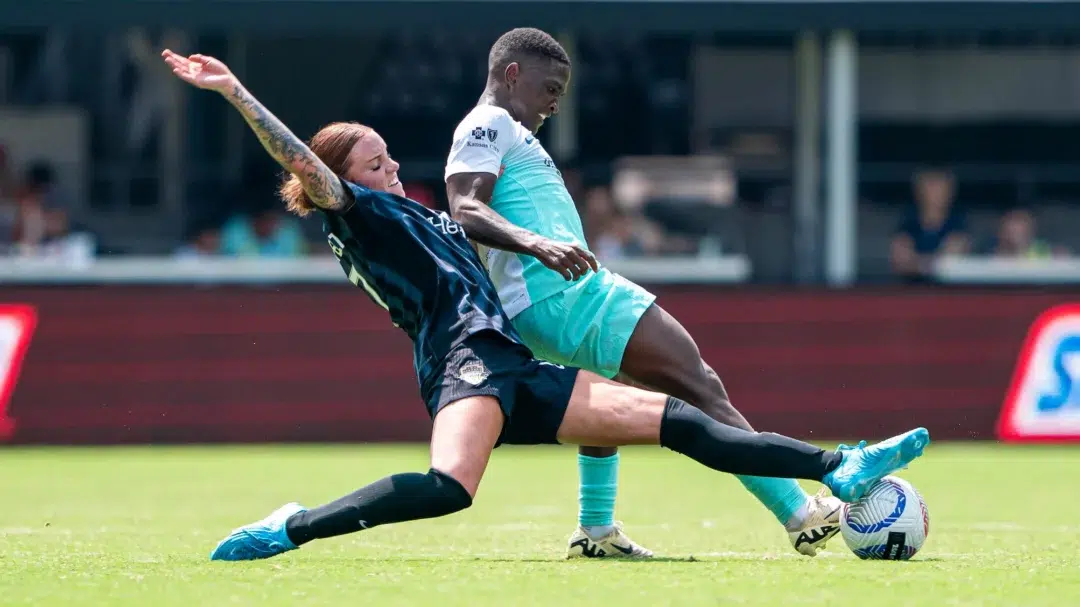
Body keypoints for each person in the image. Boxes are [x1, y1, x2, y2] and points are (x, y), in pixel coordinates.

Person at [160, 49, 929, 562]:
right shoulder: (355, 211)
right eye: (374, 160)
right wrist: (235, 93)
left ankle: (841, 465)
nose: (391, 165)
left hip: (518, 366)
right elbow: (303, 162)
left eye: (388, 156)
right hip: (467, 370)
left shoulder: (409, 208)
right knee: (448, 489)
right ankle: (291, 527)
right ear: (342, 177)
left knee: (683, 421)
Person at [444, 28, 838, 558]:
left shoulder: (511, 132)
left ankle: (596, 531)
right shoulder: (487, 123)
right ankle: (797, 512)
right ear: (512, 74)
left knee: (607, 405)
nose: (556, 103)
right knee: (699, 384)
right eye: (550, 88)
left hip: (549, 299)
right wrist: (538, 244)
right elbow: (465, 208)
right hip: (564, 294)